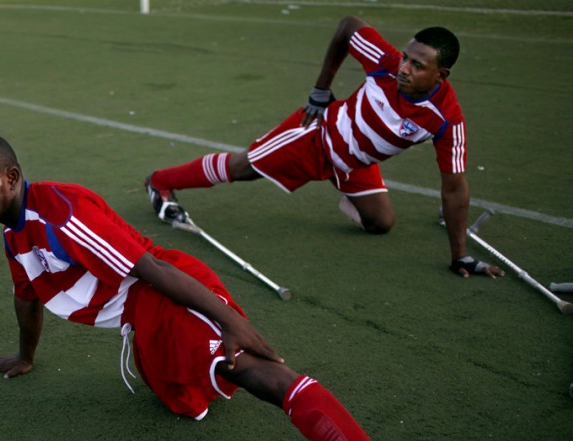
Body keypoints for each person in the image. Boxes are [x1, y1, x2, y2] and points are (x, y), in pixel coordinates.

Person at [0, 132, 418, 441]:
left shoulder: (63, 213)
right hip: (143, 318)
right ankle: (201, 364)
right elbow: (27, 296)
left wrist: (234, 322)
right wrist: (23, 354)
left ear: (10, 178)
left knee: (250, 370)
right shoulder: (15, 232)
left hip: (169, 297)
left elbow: (151, 268)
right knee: (179, 400)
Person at [145, 16, 503, 279]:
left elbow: (454, 188)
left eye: (417, 65)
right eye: (407, 57)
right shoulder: (386, 62)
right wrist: (320, 89)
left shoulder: (446, 121)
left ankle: (348, 191)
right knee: (244, 168)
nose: (404, 68)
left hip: (356, 162)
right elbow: (348, 27)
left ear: (442, 76)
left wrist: (460, 256)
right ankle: (160, 180)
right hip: (316, 136)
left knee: (381, 224)